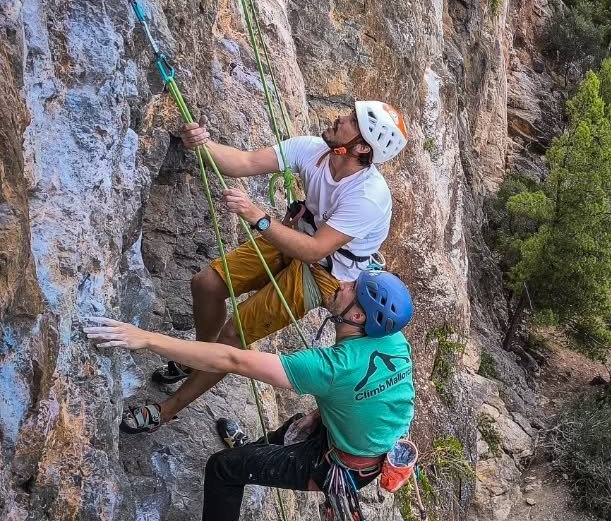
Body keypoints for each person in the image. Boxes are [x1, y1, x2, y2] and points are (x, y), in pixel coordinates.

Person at [121, 100, 408, 436]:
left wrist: (258, 218)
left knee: (234, 334)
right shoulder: (313, 150)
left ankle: (165, 410)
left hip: (326, 272)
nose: (339, 117)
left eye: (350, 120)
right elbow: (243, 162)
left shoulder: (368, 197)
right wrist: (202, 142)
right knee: (206, 284)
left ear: (360, 146)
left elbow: (316, 250)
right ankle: (198, 356)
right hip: (293, 237)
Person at [87, 268, 416, 521]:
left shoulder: (331, 368)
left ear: (358, 317)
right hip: (361, 440)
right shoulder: (393, 340)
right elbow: (375, 394)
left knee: (223, 468)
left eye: (351, 288)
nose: (342, 283)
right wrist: (321, 412)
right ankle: (253, 451)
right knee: (290, 430)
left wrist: (146, 339)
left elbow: (233, 360)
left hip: (340, 465)